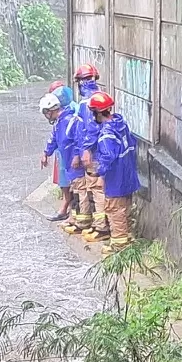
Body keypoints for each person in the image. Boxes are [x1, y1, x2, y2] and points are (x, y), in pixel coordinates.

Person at [85, 89, 140, 248]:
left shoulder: (106, 134)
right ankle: (128, 238)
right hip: (129, 174)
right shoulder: (121, 125)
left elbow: (108, 157)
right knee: (125, 208)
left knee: (115, 210)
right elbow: (132, 143)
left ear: (97, 112)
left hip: (116, 178)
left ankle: (119, 245)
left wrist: (98, 172)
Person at [63, 64, 103, 236]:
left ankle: (102, 227)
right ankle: (91, 222)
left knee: (96, 189)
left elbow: (91, 129)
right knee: (90, 188)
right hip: (91, 151)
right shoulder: (94, 98)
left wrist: (85, 150)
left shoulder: (88, 102)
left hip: (93, 153)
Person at [40, 85, 83, 224]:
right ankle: (75, 218)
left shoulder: (70, 120)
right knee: (75, 188)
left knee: (79, 191)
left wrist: (77, 156)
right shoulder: (60, 123)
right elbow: (53, 139)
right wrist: (46, 153)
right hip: (68, 161)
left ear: (51, 110)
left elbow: (79, 140)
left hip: (74, 162)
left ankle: (78, 220)